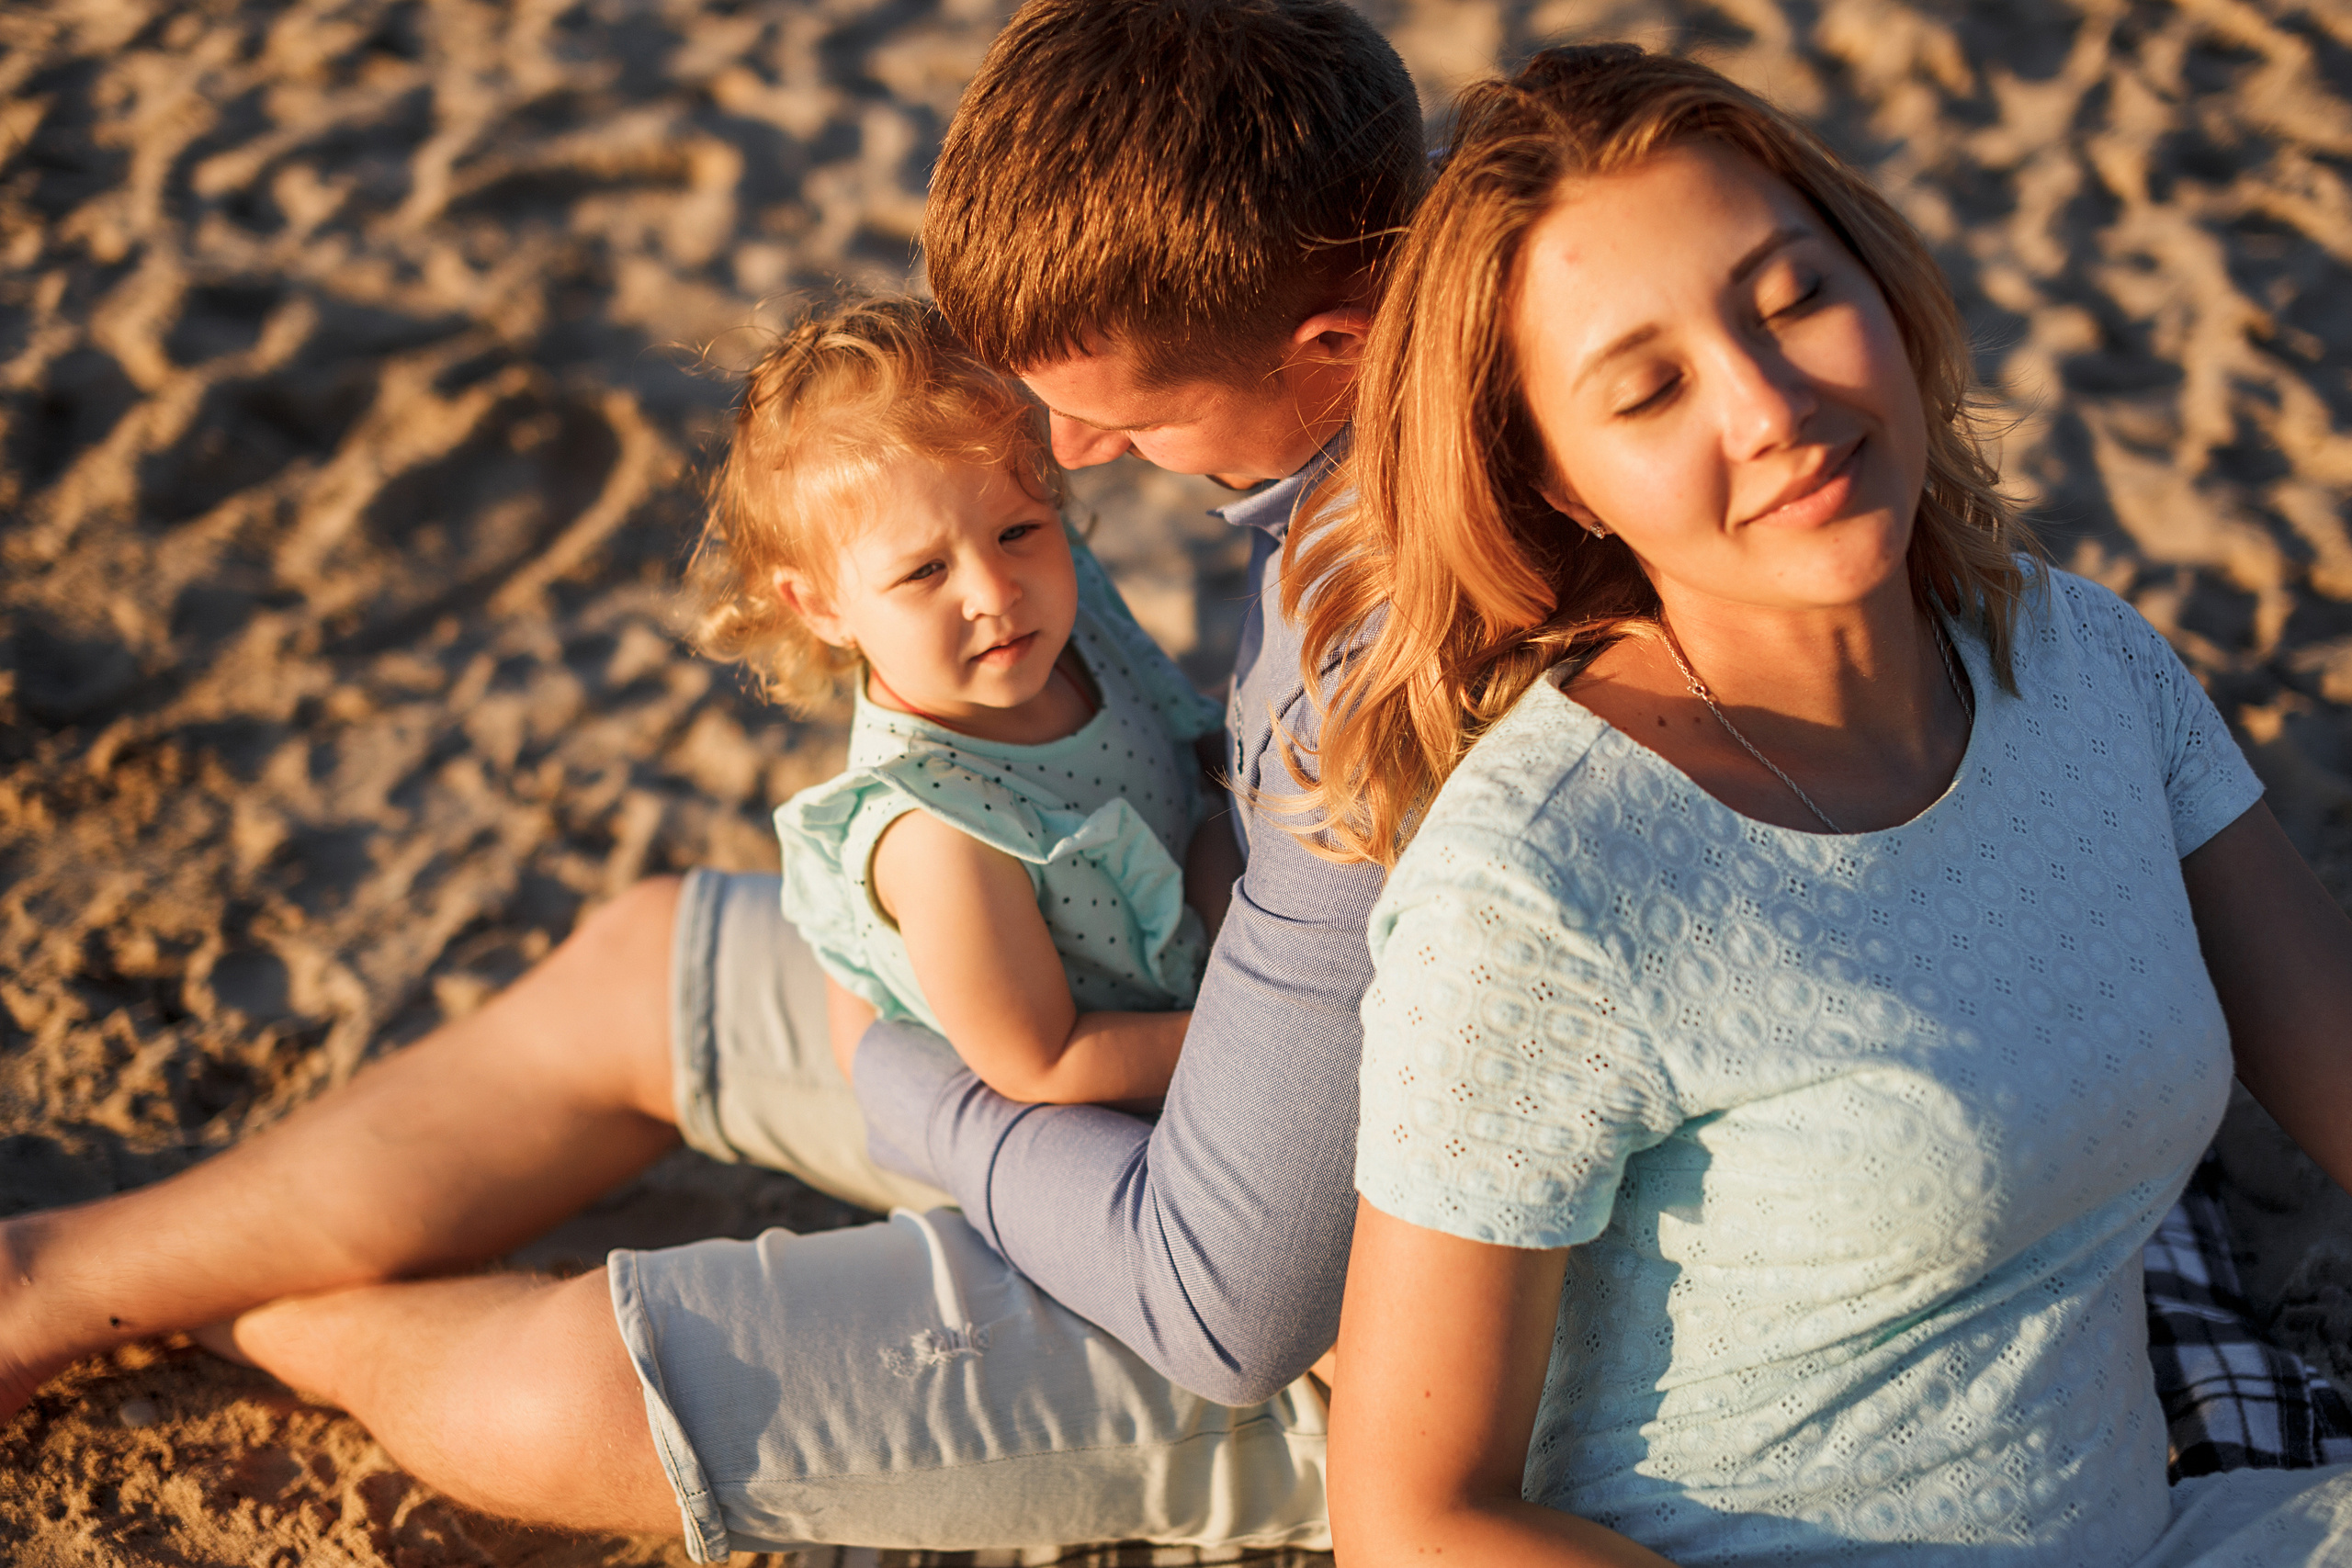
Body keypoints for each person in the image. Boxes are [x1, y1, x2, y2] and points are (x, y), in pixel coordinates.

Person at [0, 1, 1421, 1556]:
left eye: (1115, 415)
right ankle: (60, 1273)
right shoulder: (1314, 502)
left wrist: (913, 1089)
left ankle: (271, 1317)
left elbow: (1233, 1296)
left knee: (577, 1397)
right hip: (1164, 1030)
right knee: (644, 957)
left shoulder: (1384, 629)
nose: (1069, 459)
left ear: (1328, 348)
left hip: (1339, 1308)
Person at [1307, 45, 2352, 1564]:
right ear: (1562, 483)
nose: (1772, 404)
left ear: (1876, 282)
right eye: (1650, 388)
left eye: (1792, 297)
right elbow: (1411, 1517)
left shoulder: (2082, 663)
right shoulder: (1537, 894)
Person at [705, 294, 1233, 1110]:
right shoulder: (939, 834)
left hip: (1199, 925)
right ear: (821, 607)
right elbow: (1043, 1063)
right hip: (1116, 1093)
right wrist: (1268, 1036)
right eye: (924, 572)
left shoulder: (1066, 611)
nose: (995, 590)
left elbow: (1177, 735)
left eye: (1019, 530)